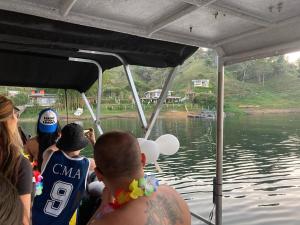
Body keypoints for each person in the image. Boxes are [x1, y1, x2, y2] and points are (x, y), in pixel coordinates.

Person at [88, 131, 191, 225]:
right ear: (143, 159)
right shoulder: (172, 193)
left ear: (98, 174)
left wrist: (103, 207)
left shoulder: (107, 221)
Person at [32, 123, 92, 225]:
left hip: (37, 219)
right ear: (81, 146)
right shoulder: (87, 164)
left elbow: (52, 148)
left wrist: (62, 139)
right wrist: (93, 141)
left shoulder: (49, 155)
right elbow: (103, 161)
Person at [0, 95, 32, 225]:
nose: (16, 118)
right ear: (8, 120)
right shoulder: (20, 165)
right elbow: (23, 219)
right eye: (14, 114)